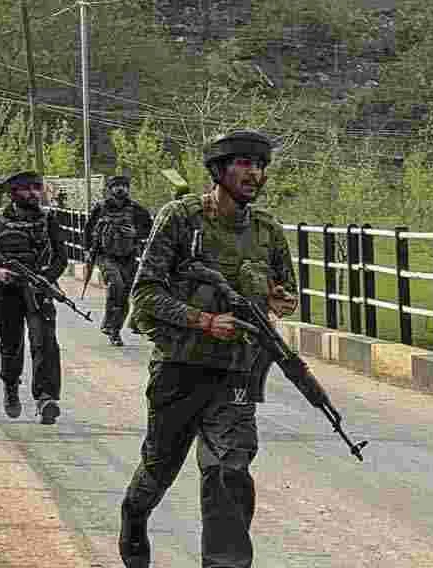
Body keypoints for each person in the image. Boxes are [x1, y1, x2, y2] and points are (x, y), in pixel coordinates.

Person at [118, 129, 299, 568]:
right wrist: (204, 321)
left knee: (228, 471)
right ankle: (134, 516)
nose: (254, 174)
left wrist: (280, 300)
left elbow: (288, 292)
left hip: (236, 371)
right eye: (243, 164)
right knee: (159, 467)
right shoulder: (180, 218)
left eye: (260, 166)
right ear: (219, 170)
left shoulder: (268, 231)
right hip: (180, 368)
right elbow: (145, 293)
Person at [0, 170, 68, 424]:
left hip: (39, 292)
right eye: (27, 188)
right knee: (12, 345)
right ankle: (11, 386)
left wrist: (45, 279)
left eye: (37, 187)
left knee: (45, 343)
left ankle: (46, 398)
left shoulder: (48, 219)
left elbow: (61, 258)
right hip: (6, 293)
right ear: (13, 192)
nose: (34, 193)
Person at [82, 175, 153, 346]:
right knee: (116, 284)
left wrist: (135, 234)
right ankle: (109, 324)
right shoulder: (100, 208)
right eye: (116, 185)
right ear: (110, 189)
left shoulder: (136, 209)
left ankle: (115, 330)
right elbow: (88, 229)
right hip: (105, 256)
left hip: (128, 257)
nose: (120, 189)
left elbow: (150, 229)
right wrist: (87, 251)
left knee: (125, 294)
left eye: (124, 185)